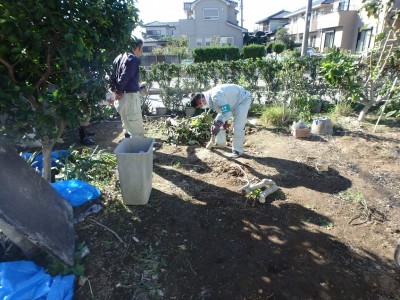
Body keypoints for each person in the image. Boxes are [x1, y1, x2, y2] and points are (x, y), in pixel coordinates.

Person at [190, 84, 252, 158]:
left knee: (238, 126)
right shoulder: (208, 98)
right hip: (233, 101)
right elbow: (223, 109)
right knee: (217, 122)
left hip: (242, 100)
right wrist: (223, 121)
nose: (201, 108)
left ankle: (238, 151)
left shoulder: (216, 97)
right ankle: (218, 143)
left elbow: (227, 113)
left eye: (199, 106)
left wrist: (219, 124)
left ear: (202, 100)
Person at [112, 38, 144, 138]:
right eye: (141, 49)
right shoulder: (132, 59)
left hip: (121, 99)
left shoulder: (118, 58)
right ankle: (137, 152)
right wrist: (118, 90)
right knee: (136, 129)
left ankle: (129, 148)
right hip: (129, 97)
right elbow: (125, 76)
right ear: (138, 48)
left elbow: (111, 75)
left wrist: (114, 90)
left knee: (126, 124)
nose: (141, 51)